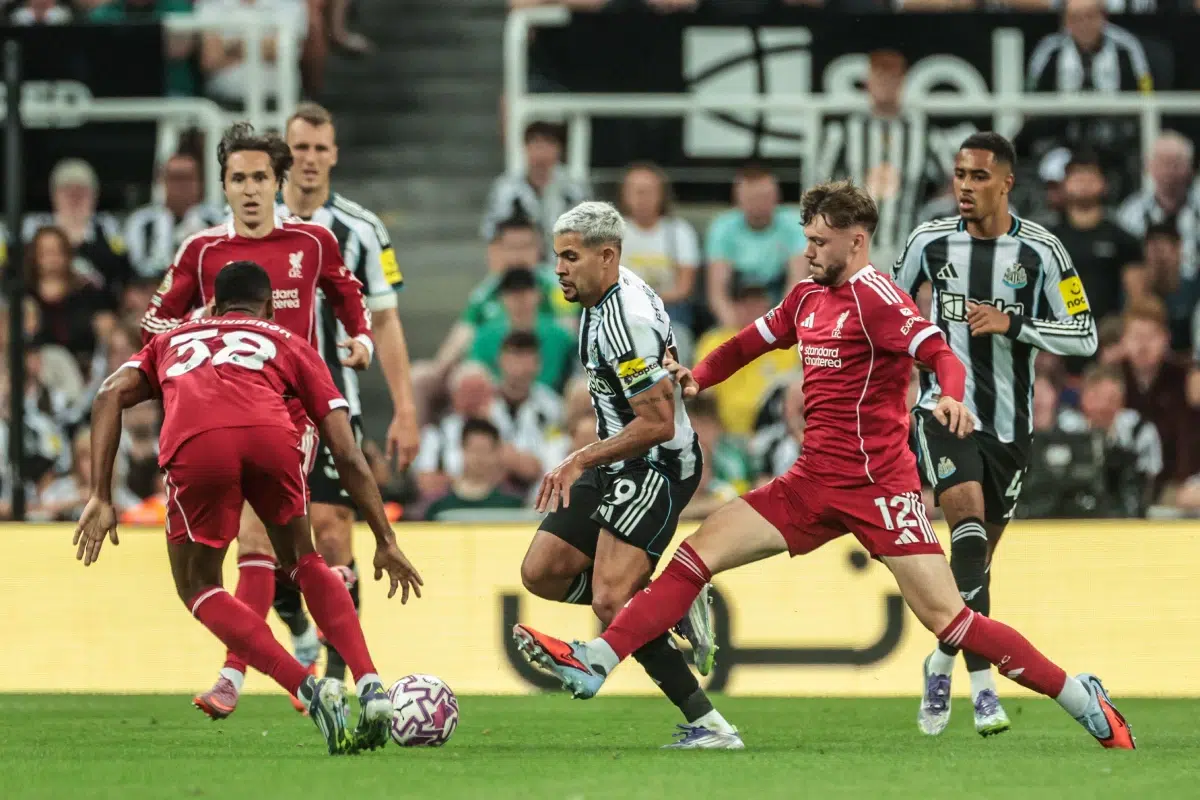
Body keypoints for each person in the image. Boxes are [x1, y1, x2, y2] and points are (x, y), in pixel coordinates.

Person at [512, 181, 1134, 752]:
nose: (806, 251)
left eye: (817, 241)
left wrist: (948, 392)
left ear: (855, 240)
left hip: (878, 490)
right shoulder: (808, 295)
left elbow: (940, 351)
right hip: (810, 483)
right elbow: (751, 341)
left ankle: (1078, 696)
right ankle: (596, 658)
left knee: (954, 621)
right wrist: (696, 376)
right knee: (697, 554)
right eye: (805, 238)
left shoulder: (879, 300)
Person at [75, 261, 423, 755]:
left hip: (199, 442)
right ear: (268, 308)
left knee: (198, 585)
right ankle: (369, 684)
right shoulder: (289, 342)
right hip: (271, 435)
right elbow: (347, 453)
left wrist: (101, 496)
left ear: (214, 305)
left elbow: (110, 394)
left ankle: (306, 686)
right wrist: (386, 540)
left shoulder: (173, 338)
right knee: (305, 562)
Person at [139, 120, 376, 718]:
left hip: (289, 412)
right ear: (224, 185)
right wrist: (198, 333)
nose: (249, 190)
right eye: (238, 178)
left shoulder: (312, 243)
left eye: (259, 177)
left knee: (259, 539)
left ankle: (236, 675)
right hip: (226, 406)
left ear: (278, 181)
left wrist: (362, 338)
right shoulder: (202, 251)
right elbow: (155, 322)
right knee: (271, 549)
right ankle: (290, 641)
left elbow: (347, 292)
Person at [893, 132, 1099, 736]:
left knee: (975, 564)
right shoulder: (928, 242)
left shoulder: (1041, 251)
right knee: (967, 523)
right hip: (945, 412)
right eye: (959, 174)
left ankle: (940, 659)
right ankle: (985, 691)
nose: (964, 186)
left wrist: (1014, 324)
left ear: (1006, 182)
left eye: (978, 176)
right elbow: (887, 314)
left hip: (1011, 430)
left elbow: (1084, 335)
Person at [517, 201, 740, 749]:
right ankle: (670, 601)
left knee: (611, 601)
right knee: (541, 572)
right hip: (617, 454)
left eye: (571, 258)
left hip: (656, 465)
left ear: (608, 256)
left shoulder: (625, 320)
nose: (560, 269)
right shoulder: (606, 296)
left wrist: (580, 458)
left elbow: (660, 424)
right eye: (557, 257)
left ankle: (710, 726)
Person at [273, 102, 421, 689]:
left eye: (319, 149)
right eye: (299, 148)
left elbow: (384, 322)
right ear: (285, 155)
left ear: (334, 155)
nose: (309, 160)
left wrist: (406, 408)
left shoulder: (361, 230)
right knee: (266, 538)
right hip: (261, 405)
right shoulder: (250, 223)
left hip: (334, 402)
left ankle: (339, 668)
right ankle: (299, 629)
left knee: (334, 526)